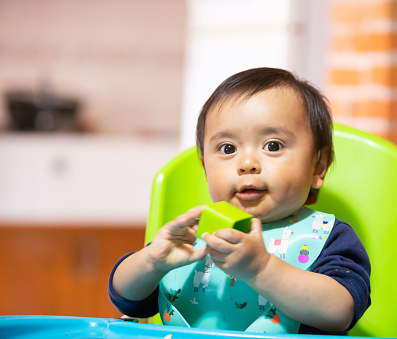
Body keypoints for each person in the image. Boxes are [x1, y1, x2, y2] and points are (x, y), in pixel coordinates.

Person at [108, 67, 371, 335]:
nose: (247, 164)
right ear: (205, 167)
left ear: (318, 167)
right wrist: (152, 262)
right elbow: (127, 298)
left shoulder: (328, 237)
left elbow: (339, 311)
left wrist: (262, 268)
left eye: (273, 146)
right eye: (228, 149)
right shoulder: (196, 234)